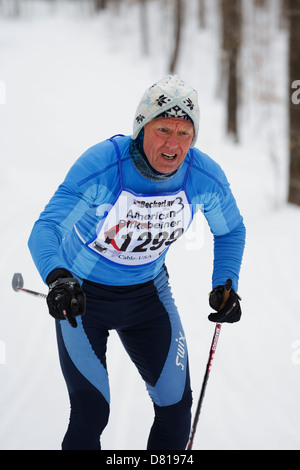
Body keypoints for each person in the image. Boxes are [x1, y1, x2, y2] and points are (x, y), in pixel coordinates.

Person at [28, 75, 246, 450]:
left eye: (184, 133)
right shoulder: (103, 165)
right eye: (163, 129)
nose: (173, 144)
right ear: (141, 126)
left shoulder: (203, 176)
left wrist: (225, 284)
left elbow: (231, 231)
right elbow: (45, 229)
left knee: (177, 411)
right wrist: (58, 277)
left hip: (147, 298)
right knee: (91, 412)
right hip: (82, 298)